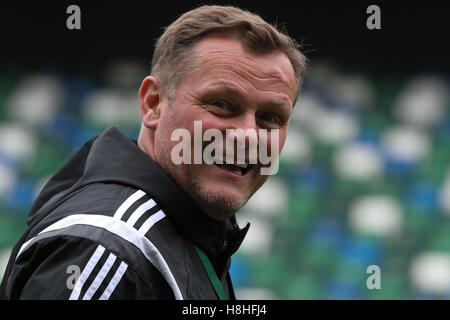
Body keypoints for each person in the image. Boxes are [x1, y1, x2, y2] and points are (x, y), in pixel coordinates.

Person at [0, 5, 306, 300]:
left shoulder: (190, 234)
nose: (248, 136)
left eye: (270, 118)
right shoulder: (109, 250)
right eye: (222, 104)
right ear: (153, 104)